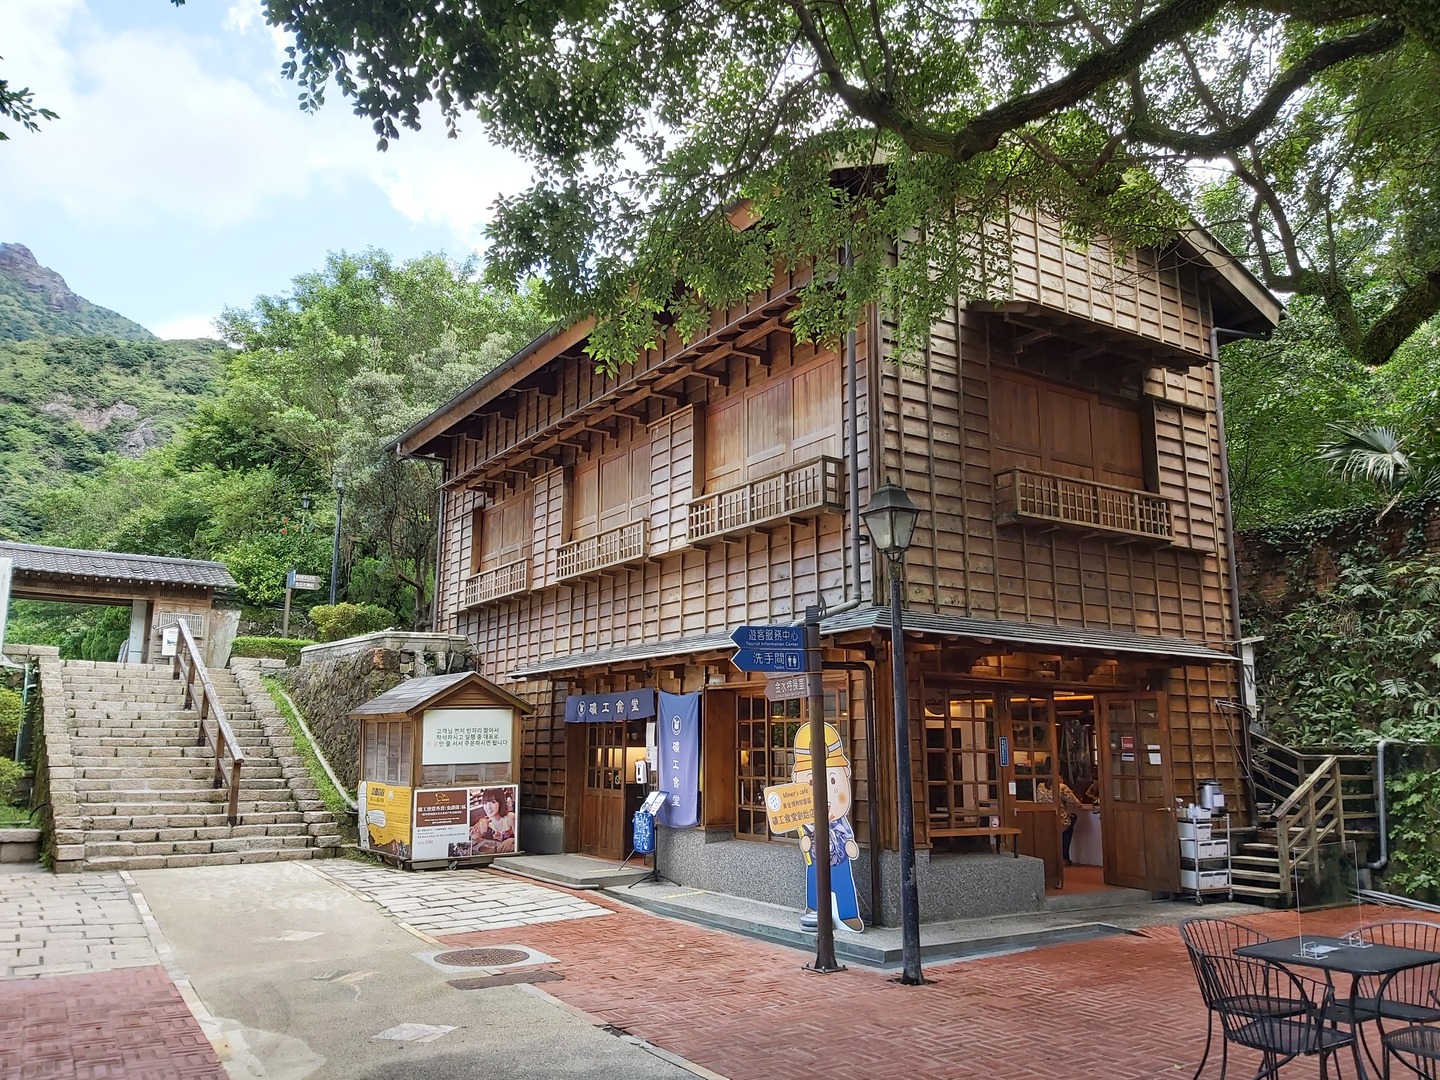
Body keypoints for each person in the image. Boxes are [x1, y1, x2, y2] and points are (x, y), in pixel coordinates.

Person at [1037, 777, 1085, 866]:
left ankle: (1050, 858)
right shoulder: (1062, 787)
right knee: (1067, 829)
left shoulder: (1040, 786)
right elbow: (1077, 804)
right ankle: (1064, 858)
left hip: (1044, 818)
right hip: (1060, 818)